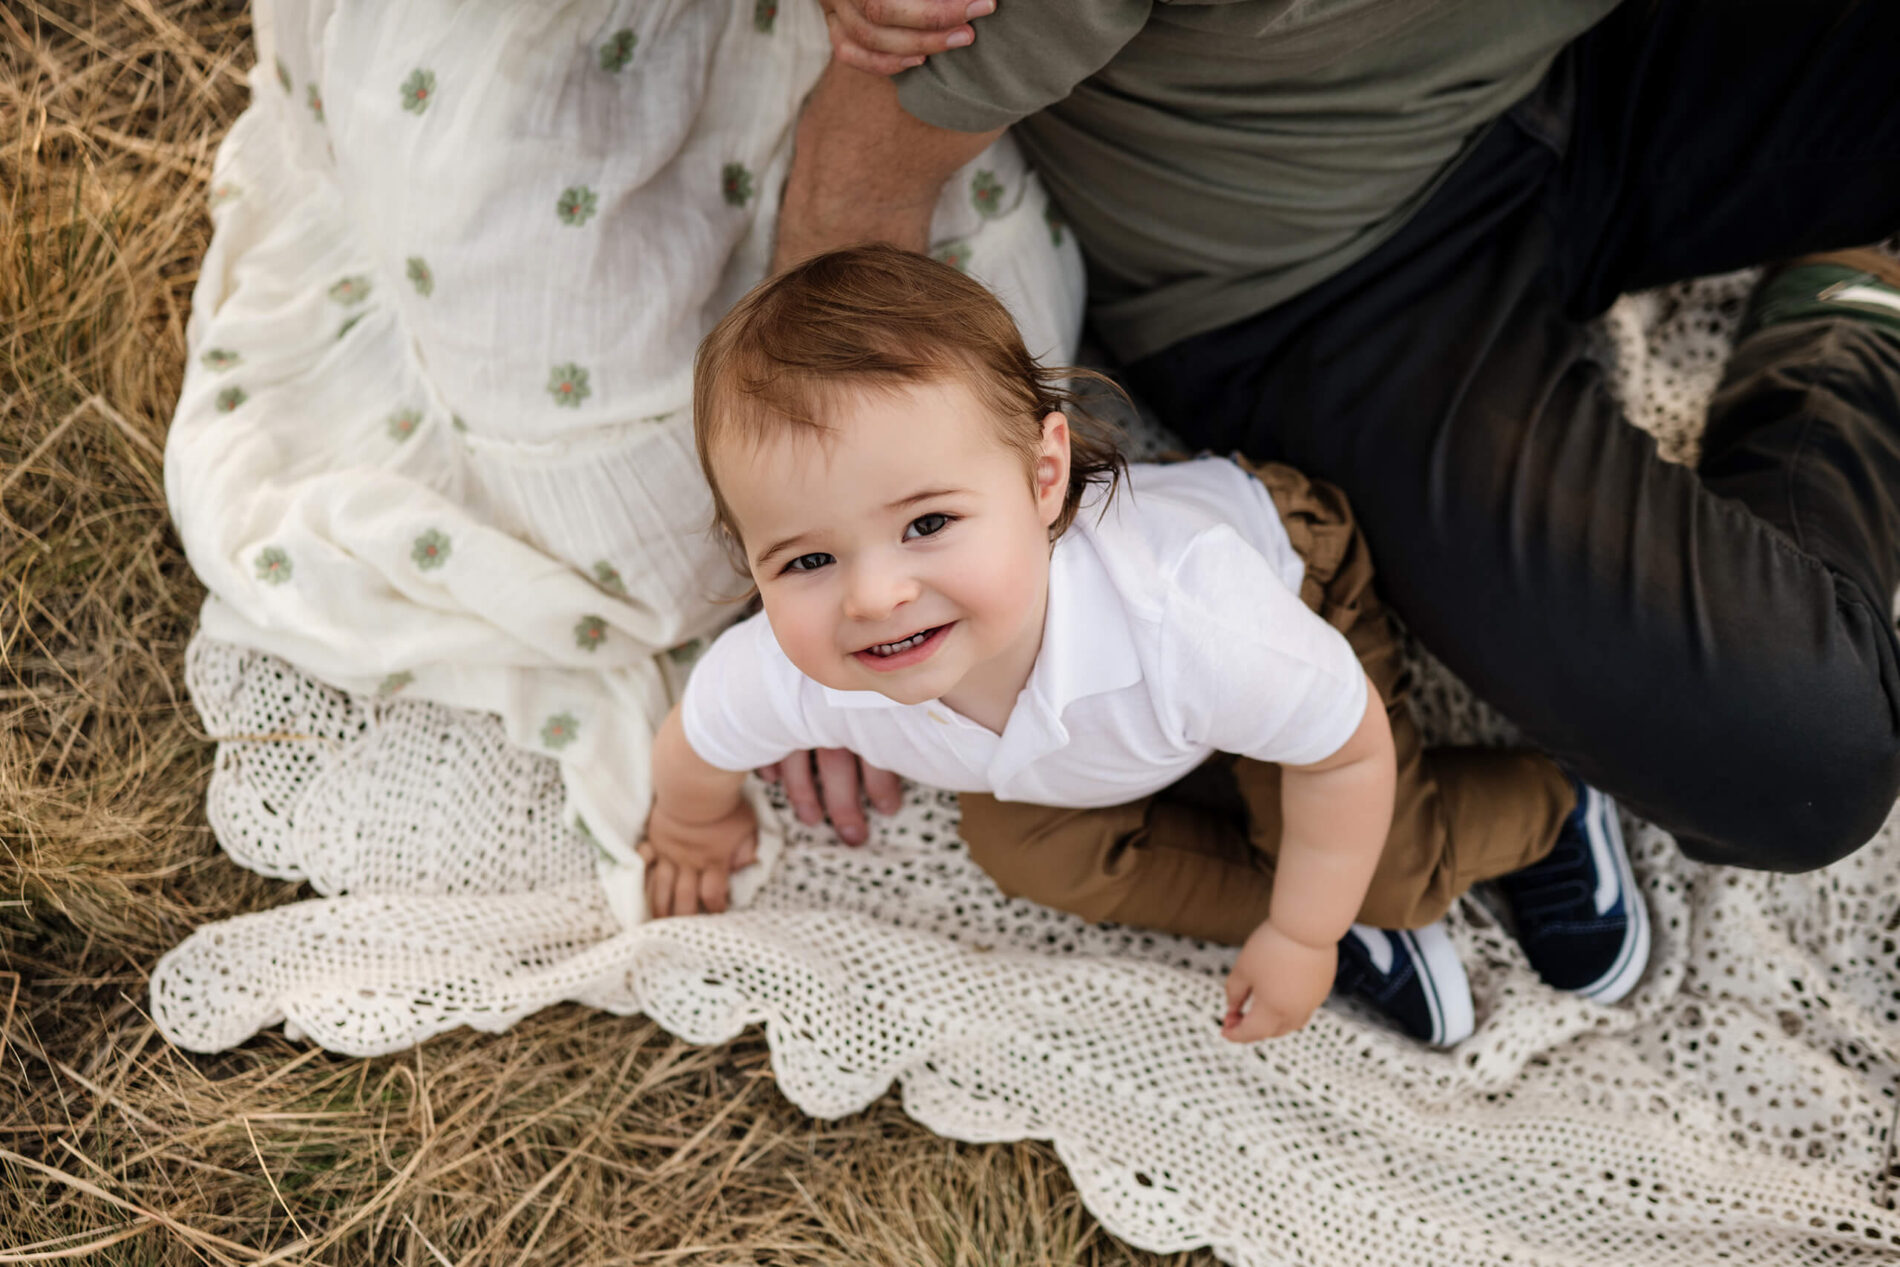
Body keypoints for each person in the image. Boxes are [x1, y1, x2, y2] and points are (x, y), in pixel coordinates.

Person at [764, 0, 1900, 876]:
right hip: (1318, 274)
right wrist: (833, 569)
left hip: (1599, 64)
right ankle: (1846, 314)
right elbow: (858, 184)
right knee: (1801, 757)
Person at [637, 244, 1650, 1046]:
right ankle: (1320, 917)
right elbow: (700, 736)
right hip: (1087, 747)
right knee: (1022, 849)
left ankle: (1550, 810)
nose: (874, 596)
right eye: (808, 560)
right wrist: (692, 823)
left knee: (1379, 872)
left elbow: (1340, 751)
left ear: (1043, 480)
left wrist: (1303, 935)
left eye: (929, 523)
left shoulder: (1190, 619)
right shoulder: (800, 667)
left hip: (1289, 586)